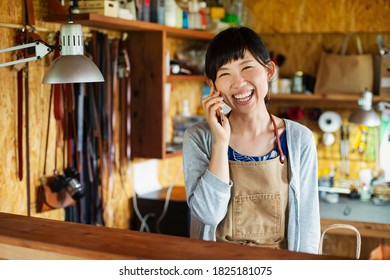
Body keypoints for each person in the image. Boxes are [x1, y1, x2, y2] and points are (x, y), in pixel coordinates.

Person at [182, 26, 320, 254]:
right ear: (213, 86)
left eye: (247, 67)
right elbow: (207, 215)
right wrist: (220, 141)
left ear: (268, 71)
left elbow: (307, 224)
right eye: (225, 74)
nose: (238, 83)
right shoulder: (199, 138)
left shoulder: (298, 139)